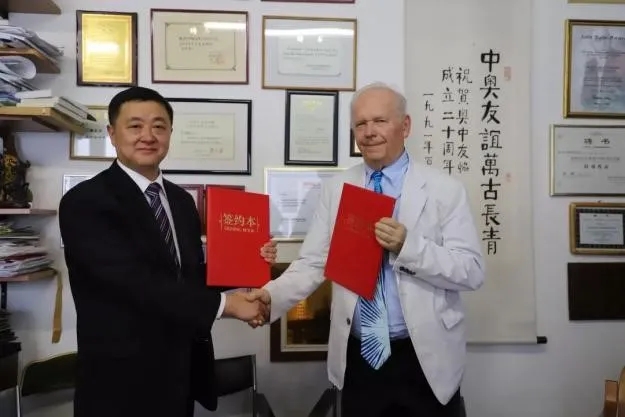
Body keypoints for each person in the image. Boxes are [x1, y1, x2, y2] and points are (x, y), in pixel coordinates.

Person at [248, 82, 485, 417]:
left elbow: (471, 271)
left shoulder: (445, 190)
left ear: (405, 126)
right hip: (359, 355)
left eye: (380, 121)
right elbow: (313, 262)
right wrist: (270, 297)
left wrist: (408, 246)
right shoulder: (337, 189)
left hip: (424, 356)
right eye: (360, 124)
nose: (369, 132)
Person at [59, 86, 276, 417]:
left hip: (181, 371)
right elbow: (133, 282)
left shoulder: (181, 201)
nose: (148, 136)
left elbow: (185, 275)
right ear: (112, 134)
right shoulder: (85, 202)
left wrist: (249, 261)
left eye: (159, 126)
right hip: (120, 381)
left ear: (170, 133)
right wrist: (225, 306)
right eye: (135, 126)